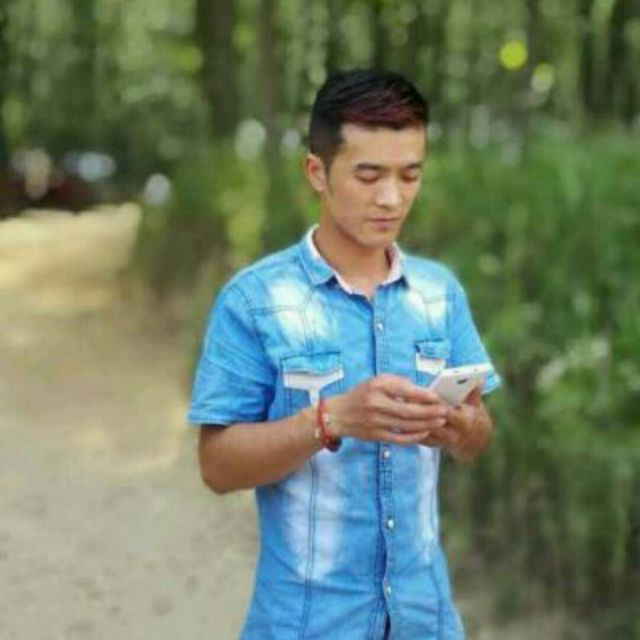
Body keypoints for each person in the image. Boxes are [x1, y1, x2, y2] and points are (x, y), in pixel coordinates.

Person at [187, 69, 501, 640]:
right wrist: (331, 419)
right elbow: (217, 467)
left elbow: (479, 435)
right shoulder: (253, 301)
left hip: (426, 621)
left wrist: (458, 427)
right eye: (368, 175)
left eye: (410, 175)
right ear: (317, 172)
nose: (392, 198)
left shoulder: (440, 294)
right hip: (306, 625)